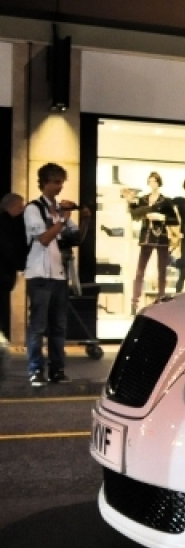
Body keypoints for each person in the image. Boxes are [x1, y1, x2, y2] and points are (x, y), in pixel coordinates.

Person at [24, 163, 91, 385]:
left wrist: (85, 220)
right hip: (39, 275)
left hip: (59, 275)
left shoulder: (60, 210)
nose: (59, 187)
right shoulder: (34, 209)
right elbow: (44, 238)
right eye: (55, 182)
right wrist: (62, 218)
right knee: (38, 325)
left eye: (61, 182)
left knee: (58, 326)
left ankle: (57, 370)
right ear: (44, 183)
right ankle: (36, 370)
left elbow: (76, 238)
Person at [127, 171, 179, 314]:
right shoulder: (144, 199)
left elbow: (174, 220)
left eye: (155, 181)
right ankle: (134, 301)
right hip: (146, 237)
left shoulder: (165, 201)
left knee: (162, 270)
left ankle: (161, 298)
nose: (152, 184)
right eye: (150, 181)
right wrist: (131, 203)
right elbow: (135, 215)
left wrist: (162, 217)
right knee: (140, 270)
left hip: (161, 236)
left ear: (158, 183)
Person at [0, 193, 26, 341]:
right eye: (20, 206)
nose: (22, 210)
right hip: (3, 275)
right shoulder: (7, 225)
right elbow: (9, 249)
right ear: (11, 207)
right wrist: (21, 263)